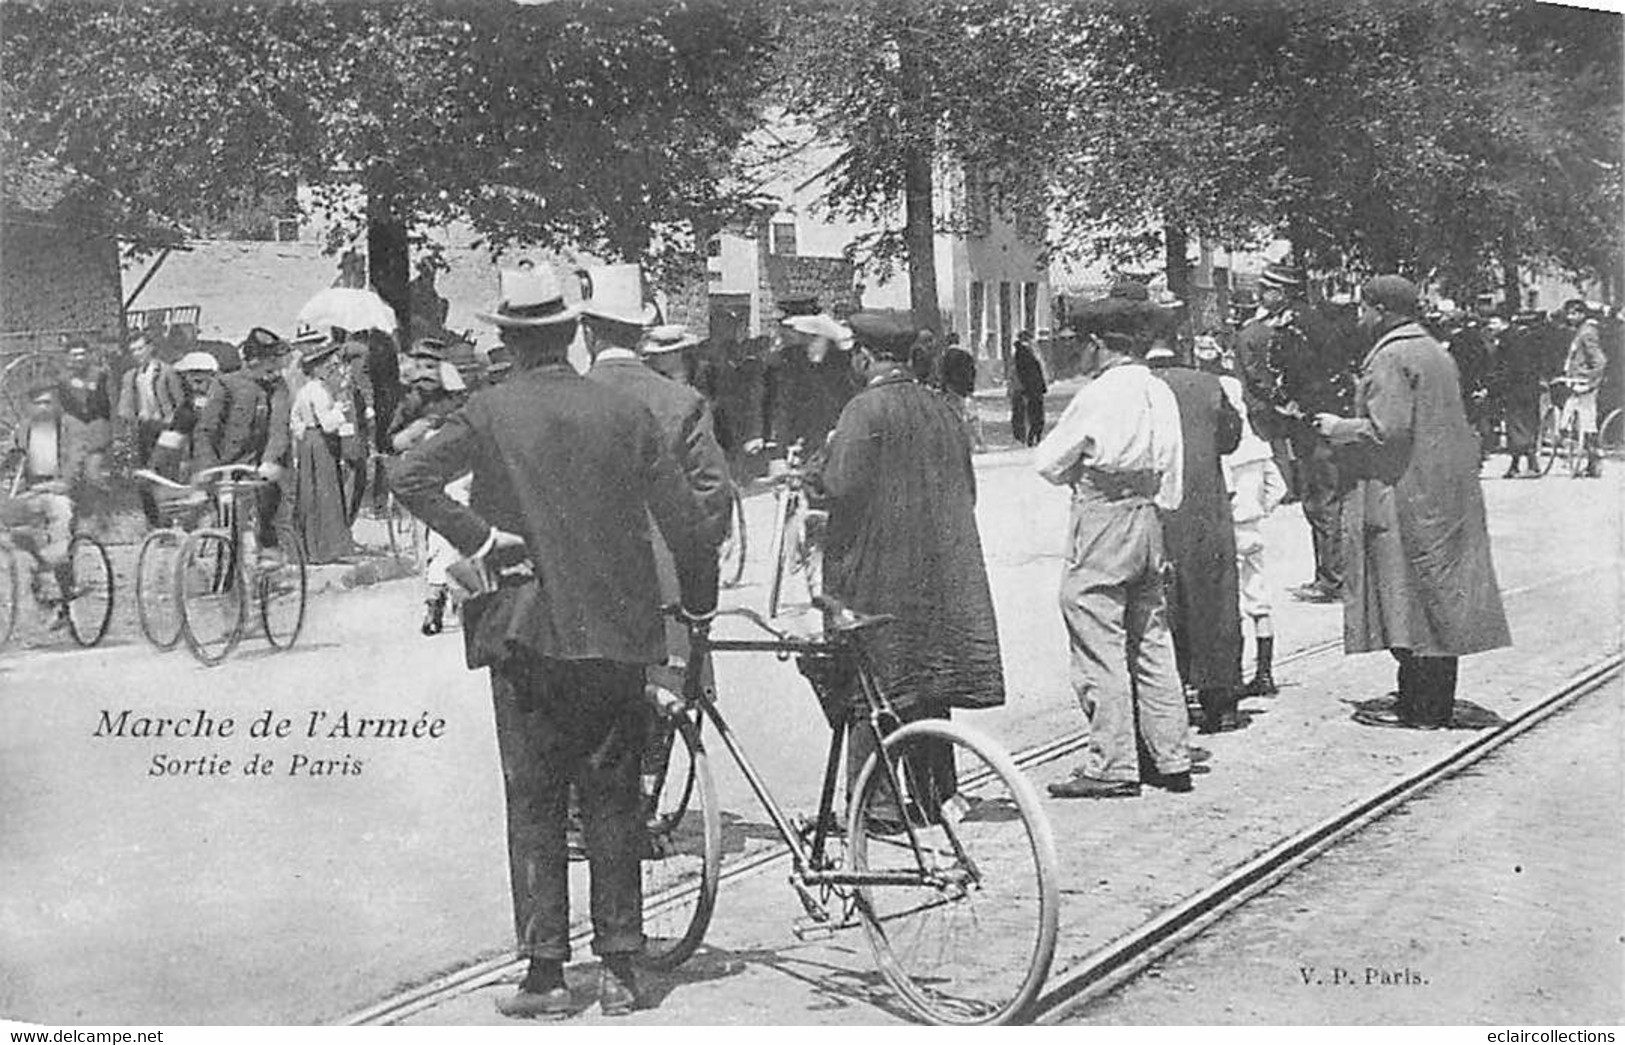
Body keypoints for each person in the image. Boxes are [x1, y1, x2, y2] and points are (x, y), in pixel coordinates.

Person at [392, 266, 718, 1020]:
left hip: (523, 630)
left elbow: (409, 476)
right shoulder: (624, 413)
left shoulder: (487, 411)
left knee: (534, 796)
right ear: (573, 333)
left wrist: (482, 538)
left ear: (508, 338)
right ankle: (623, 969)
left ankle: (544, 972)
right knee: (612, 795)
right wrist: (695, 607)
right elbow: (687, 522)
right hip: (614, 631)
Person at [806, 309, 1005, 819]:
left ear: (866, 356)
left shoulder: (863, 411)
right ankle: (936, 793)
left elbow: (842, 487)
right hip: (936, 569)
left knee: (872, 683)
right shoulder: (942, 408)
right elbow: (970, 489)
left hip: (879, 571)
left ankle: (875, 807)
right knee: (928, 683)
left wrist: (812, 478)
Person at [1314, 276, 1511, 730]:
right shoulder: (1433, 350)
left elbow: (1388, 431)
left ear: (1380, 309)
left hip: (1405, 494)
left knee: (1405, 596)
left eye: (1363, 308)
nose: (1360, 317)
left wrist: (1336, 426)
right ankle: (1434, 701)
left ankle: (1420, 707)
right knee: (1438, 596)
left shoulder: (1390, 356)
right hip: (1442, 492)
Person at [1035, 292, 1191, 799]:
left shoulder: (1098, 395)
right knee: (1151, 637)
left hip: (1102, 517)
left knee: (1097, 634)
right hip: (1149, 517)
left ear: (1099, 345)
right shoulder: (1158, 390)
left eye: (1081, 344)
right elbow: (1173, 476)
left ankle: (1113, 761)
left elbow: (1049, 462)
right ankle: (1171, 755)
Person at [1233, 262, 1359, 603]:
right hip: (1321, 421)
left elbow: (1296, 378)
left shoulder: (1295, 327)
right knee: (1325, 499)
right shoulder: (1310, 320)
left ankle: (1333, 580)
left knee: (1321, 501)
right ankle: (1336, 576)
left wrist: (1288, 405)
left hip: (1313, 426)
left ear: (1282, 292)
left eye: (1267, 289)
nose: (1261, 295)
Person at [1147, 339, 1245, 732]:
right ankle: (1220, 700)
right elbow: (1230, 439)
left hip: (1154, 507)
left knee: (1157, 602)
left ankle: (1165, 702)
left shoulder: (1135, 387)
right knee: (1213, 599)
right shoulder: (1208, 384)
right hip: (1205, 508)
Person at [1198, 337, 1289, 698]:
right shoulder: (1259, 446)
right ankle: (1265, 673)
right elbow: (1277, 488)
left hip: (1229, 530)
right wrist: (1259, 512)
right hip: (1253, 528)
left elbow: (1224, 490)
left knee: (1226, 603)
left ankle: (1230, 676)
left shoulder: (1224, 451)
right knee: (1259, 598)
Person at [389, 339, 471, 636]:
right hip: (426, 479)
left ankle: (441, 599)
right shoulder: (410, 402)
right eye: (420, 366)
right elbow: (393, 441)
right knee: (436, 541)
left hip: (457, 476)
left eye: (432, 366)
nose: (426, 373)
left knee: (447, 539)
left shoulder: (458, 398)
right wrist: (416, 431)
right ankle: (440, 597)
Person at [192, 327, 294, 564]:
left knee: (268, 509)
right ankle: (225, 582)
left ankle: (268, 554)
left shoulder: (277, 387)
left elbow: (279, 427)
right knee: (228, 531)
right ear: (254, 361)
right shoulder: (226, 385)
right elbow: (206, 431)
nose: (276, 368)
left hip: (259, 469)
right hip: (226, 469)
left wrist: (270, 460)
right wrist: (208, 467)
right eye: (271, 363)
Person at [2, 385, 77, 630]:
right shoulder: (24, 430)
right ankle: (42, 581)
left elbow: (75, 464)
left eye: (48, 402)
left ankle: (65, 592)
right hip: (32, 492)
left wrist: (60, 485)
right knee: (14, 529)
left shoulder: (68, 429)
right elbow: (10, 459)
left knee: (60, 522)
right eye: (39, 403)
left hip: (60, 492)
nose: (44, 408)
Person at [288, 333, 358, 565]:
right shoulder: (318, 391)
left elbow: (295, 420)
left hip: (309, 441)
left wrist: (303, 438)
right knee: (325, 492)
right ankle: (324, 548)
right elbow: (328, 424)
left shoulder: (305, 391)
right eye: (326, 364)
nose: (330, 368)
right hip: (320, 442)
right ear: (316, 369)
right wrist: (340, 409)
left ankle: (310, 547)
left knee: (311, 492)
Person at [116, 330, 187, 525]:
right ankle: (153, 522)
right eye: (133, 351)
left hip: (165, 430)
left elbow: (180, 402)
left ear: (150, 348)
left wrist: (172, 423)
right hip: (143, 431)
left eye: (140, 348)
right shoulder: (130, 376)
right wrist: (129, 418)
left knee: (164, 476)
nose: (137, 353)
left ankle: (168, 523)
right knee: (144, 477)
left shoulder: (166, 372)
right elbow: (125, 405)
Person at [146, 351, 222, 484]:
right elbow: (174, 435)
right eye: (187, 378)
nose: (193, 384)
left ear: (212, 375)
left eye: (199, 379)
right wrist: (154, 467)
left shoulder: (226, 398)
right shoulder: (188, 407)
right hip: (202, 467)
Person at [54, 339, 114, 496]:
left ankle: (107, 505)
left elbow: (107, 404)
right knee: (70, 476)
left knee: (93, 474)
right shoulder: (63, 379)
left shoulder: (100, 375)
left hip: (97, 428)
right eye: (75, 355)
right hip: (76, 429)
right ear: (68, 357)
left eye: (82, 354)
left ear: (88, 355)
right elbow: (65, 406)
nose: (79, 358)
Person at [1494, 312, 1545, 477]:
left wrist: (1499, 385)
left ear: (1505, 322)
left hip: (1515, 389)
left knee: (1516, 426)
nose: (1490, 326)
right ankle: (1517, 465)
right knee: (1525, 424)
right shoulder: (1530, 338)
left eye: (1493, 323)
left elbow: (1509, 367)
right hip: (1530, 387)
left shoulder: (1509, 340)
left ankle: (1530, 465)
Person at [1560, 299, 1607, 478]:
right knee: (1571, 418)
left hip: (1585, 384)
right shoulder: (1581, 331)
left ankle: (1594, 460)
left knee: (1587, 422)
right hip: (1576, 381)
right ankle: (1587, 458)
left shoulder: (1587, 333)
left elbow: (1599, 360)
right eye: (1569, 314)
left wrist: (1589, 381)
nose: (1570, 317)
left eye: (1574, 313)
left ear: (1582, 314)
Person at [1010, 330, 1047, 447]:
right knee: (1034, 413)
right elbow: (1029, 372)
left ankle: (1031, 436)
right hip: (1030, 388)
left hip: (1028, 388)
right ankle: (1031, 436)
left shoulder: (1024, 352)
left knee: (1031, 413)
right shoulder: (1025, 352)